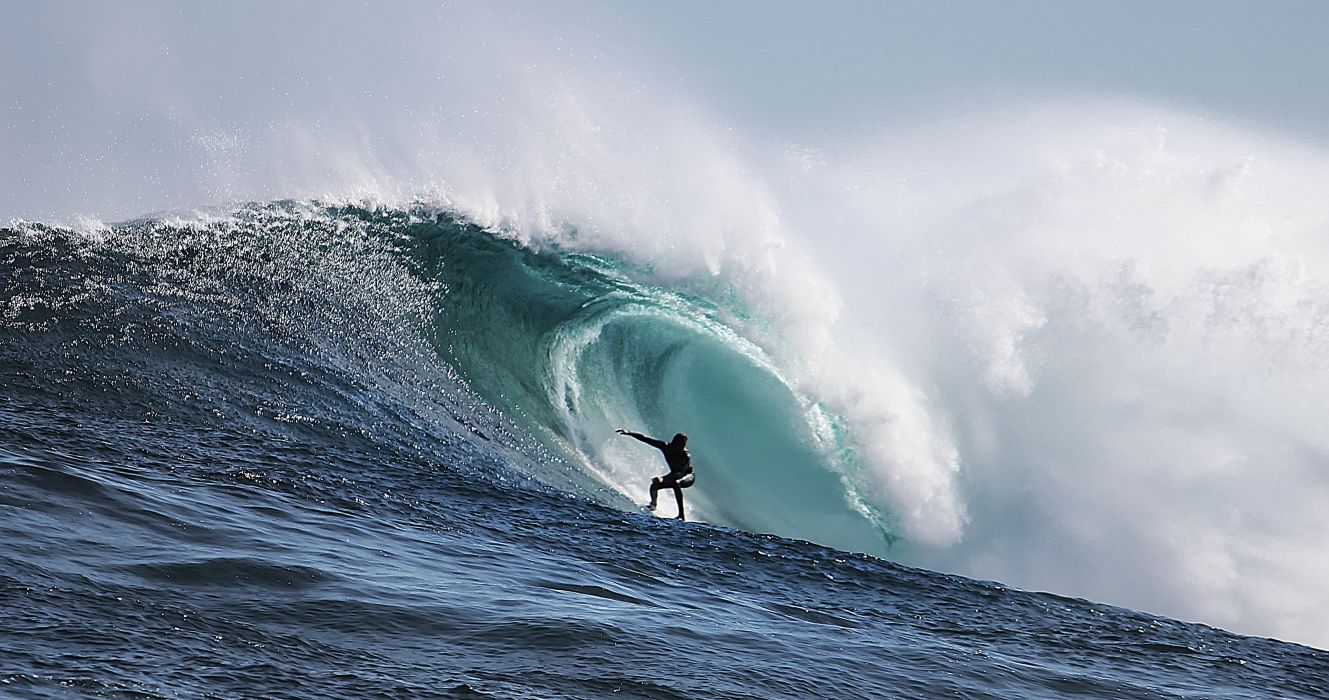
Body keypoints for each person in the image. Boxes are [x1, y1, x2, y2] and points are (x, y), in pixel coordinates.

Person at [615, 429, 694, 520]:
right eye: (680, 446)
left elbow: (680, 473)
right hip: (674, 475)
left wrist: (663, 479)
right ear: (674, 443)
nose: (682, 449)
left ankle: (681, 515)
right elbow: (645, 439)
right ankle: (653, 505)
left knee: (676, 483)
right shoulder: (666, 447)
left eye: (683, 446)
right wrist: (629, 433)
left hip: (687, 476)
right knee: (655, 485)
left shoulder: (685, 455)